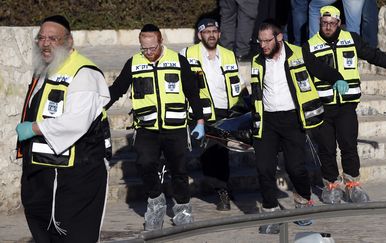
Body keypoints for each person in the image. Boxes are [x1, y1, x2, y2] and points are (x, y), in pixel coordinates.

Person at [304, 6, 386, 204]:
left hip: (347, 106)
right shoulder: (309, 46)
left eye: (332, 23)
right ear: (319, 23)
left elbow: (376, 56)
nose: (328, 27)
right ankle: (331, 184)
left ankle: (352, 184)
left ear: (339, 23)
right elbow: (316, 69)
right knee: (326, 148)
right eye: (324, 23)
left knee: (349, 145)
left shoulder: (352, 40)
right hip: (323, 106)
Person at [15, 15, 111, 242]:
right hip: (43, 172)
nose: (45, 43)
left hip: (76, 176)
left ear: (69, 41)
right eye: (41, 38)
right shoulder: (45, 69)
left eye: (53, 38)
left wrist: (34, 129)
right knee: (42, 231)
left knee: (74, 234)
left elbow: (76, 121)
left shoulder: (84, 73)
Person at [105, 24, 205, 231]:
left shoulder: (178, 61)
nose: (148, 53)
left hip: (175, 127)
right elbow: (117, 90)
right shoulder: (134, 63)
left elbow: (193, 92)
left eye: (152, 48)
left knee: (179, 169)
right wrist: (98, 107)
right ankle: (156, 203)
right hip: (146, 128)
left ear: (160, 42)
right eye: (144, 49)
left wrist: (201, 121)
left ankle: (183, 209)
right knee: (144, 164)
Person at [250, 19, 344, 234]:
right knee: (264, 168)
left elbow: (320, 69)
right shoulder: (257, 61)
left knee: (296, 168)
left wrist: (336, 78)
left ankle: (303, 202)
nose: (263, 45)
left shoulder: (299, 54)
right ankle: (271, 212)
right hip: (267, 121)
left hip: (293, 120)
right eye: (260, 41)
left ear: (279, 37)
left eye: (267, 41)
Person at [180, 18, 245, 211]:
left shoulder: (227, 54)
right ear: (200, 35)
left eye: (214, 31)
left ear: (219, 34)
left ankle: (222, 187)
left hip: (226, 111)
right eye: (206, 31)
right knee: (211, 152)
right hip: (202, 113)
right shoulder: (187, 54)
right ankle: (222, 190)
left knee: (220, 152)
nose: (211, 35)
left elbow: (237, 83)